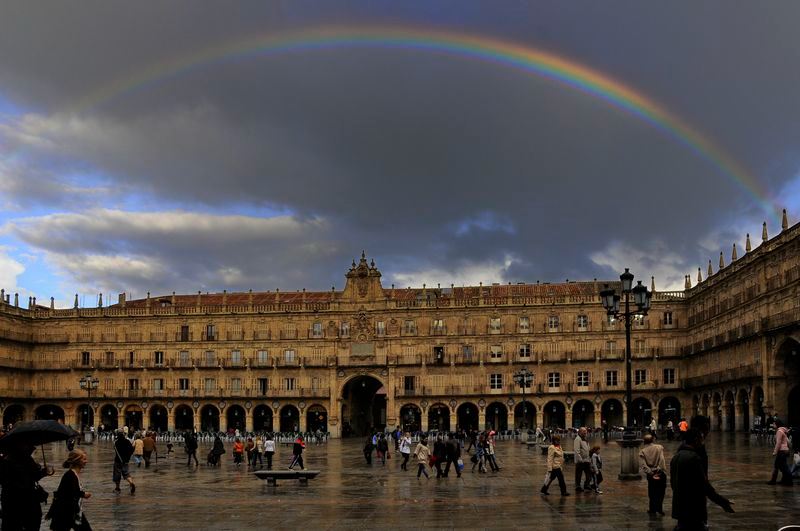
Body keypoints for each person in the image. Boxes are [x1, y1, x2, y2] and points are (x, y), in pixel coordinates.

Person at [670, 428, 734, 529]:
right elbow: (704, 485)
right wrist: (722, 501)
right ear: (696, 440)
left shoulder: (676, 456)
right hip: (693, 508)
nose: (703, 442)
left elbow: (673, 483)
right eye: (702, 439)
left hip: (680, 507)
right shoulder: (693, 458)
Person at [0, 440, 53, 530]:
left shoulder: (28, 459)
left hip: (30, 505)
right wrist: (24, 486)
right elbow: (5, 482)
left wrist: (44, 472)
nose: (29, 447)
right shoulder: (7, 461)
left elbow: (34, 476)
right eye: (26, 445)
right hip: (14, 505)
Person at [46, 449, 92, 531]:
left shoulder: (74, 474)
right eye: (84, 459)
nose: (86, 461)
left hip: (73, 510)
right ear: (77, 460)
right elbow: (70, 492)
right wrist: (83, 494)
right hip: (65, 512)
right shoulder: (70, 475)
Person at [639, 433, 667, 515]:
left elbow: (643, 465)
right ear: (653, 440)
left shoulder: (643, 451)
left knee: (651, 491)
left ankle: (652, 509)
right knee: (661, 491)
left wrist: (650, 473)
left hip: (651, 473)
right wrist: (660, 470)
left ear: (644, 441)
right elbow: (662, 460)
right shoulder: (659, 447)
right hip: (660, 472)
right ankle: (659, 508)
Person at [767, 418, 793, 485]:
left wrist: (775, 452)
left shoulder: (779, 431)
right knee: (783, 466)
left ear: (777, 424)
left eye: (774, 424)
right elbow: (788, 442)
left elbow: (778, 443)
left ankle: (775, 481)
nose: (773, 425)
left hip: (782, 451)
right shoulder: (783, 430)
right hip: (785, 451)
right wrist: (787, 448)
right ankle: (784, 480)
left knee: (779, 466)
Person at [112, 430, 136, 495]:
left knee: (117, 474)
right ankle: (131, 483)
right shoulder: (127, 441)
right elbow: (131, 450)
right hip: (126, 461)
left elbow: (116, 450)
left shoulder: (116, 442)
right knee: (126, 474)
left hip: (118, 461)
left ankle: (117, 488)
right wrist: (128, 457)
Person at [573, 426, 591, 491]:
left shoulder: (585, 439)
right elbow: (577, 450)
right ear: (580, 432)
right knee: (578, 474)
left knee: (588, 473)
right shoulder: (577, 439)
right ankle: (578, 486)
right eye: (584, 431)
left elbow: (587, 448)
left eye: (586, 431)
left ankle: (587, 484)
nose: (585, 432)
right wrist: (580, 459)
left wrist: (589, 458)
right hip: (580, 461)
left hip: (587, 459)